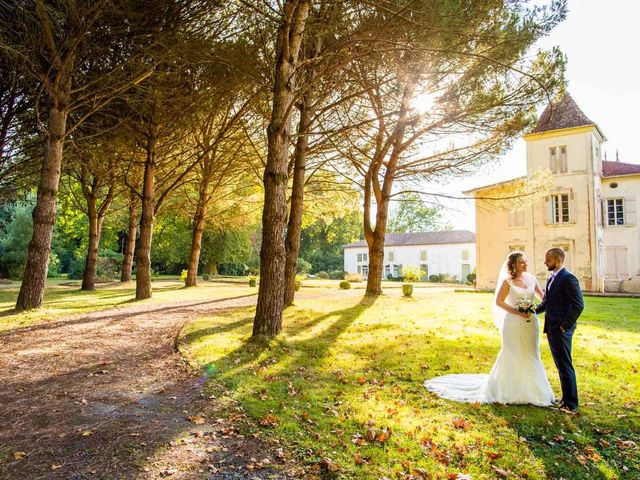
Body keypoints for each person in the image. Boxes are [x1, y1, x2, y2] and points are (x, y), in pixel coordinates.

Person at [424, 251, 554, 406]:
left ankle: (535, 390)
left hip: (530, 323)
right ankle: (508, 389)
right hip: (512, 322)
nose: (525, 264)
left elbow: (543, 298)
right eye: (521, 262)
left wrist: (538, 306)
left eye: (526, 261)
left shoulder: (532, 278)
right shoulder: (508, 282)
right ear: (513, 265)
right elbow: (499, 302)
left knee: (531, 353)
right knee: (512, 353)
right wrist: (517, 312)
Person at [536, 248, 584, 413]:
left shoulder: (568, 278)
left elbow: (578, 305)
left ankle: (571, 403)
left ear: (557, 260)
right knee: (560, 365)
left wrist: (565, 326)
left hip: (561, 330)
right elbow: (546, 302)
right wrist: (531, 310)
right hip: (552, 328)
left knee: (565, 365)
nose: (545, 263)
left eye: (548, 260)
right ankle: (565, 398)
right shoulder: (552, 278)